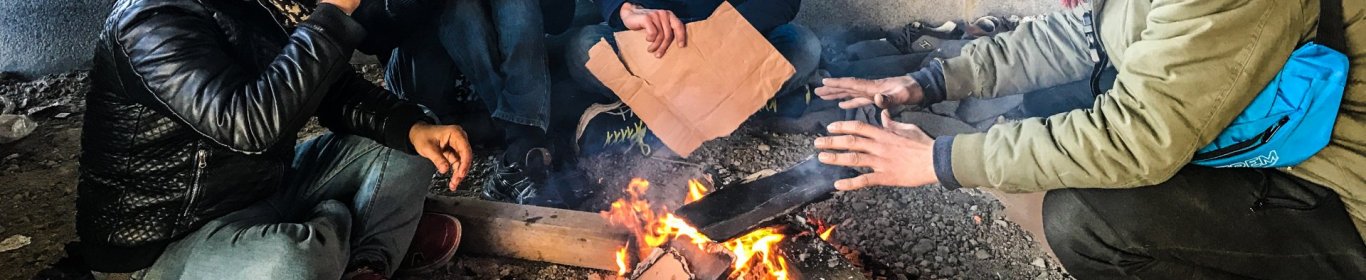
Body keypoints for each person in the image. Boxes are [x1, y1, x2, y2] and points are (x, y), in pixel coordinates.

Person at [814, 0, 1366, 278]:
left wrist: (938, 159)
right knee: (1053, 104)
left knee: (1086, 220)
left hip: (1337, 192)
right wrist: (928, 82)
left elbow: (1135, 139)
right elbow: (1080, 37)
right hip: (1263, 132)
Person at [76, 0, 474, 279]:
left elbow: (324, 85)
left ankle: (364, 267)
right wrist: (332, 16)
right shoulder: (149, 20)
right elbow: (250, 128)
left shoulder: (257, 3)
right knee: (293, 262)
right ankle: (344, 226)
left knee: (417, 142)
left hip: (263, 185)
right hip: (169, 240)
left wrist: (406, 126)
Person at [374, 0, 577, 206]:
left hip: (497, 101)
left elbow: (558, 21)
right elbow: (377, 30)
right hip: (429, 92)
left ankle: (521, 152)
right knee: (461, 7)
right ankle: (525, 140)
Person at [564, 0, 821, 155]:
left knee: (803, 46)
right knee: (584, 47)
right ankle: (747, 102)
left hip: (734, 39)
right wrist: (625, 8)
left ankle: (650, 116)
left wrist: (723, 32)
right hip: (656, 42)